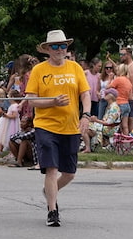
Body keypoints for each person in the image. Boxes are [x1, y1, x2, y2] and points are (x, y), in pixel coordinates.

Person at [25, 30, 90, 227]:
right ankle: (52, 211)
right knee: (51, 169)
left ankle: (49, 191)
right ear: (47, 49)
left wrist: (85, 115)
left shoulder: (75, 68)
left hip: (70, 127)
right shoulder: (39, 70)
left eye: (63, 46)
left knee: (69, 173)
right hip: (46, 126)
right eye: (55, 46)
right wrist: (52, 102)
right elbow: (30, 100)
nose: (60, 49)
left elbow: (85, 95)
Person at [119, 46, 133, 136]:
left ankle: (131, 138)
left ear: (128, 55)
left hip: (130, 97)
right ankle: (124, 137)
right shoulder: (124, 66)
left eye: (122, 54)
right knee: (123, 119)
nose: (121, 56)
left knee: (129, 119)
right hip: (123, 97)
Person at [109, 64, 132, 135]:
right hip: (126, 104)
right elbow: (130, 97)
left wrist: (110, 79)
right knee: (125, 126)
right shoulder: (129, 81)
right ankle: (125, 142)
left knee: (115, 125)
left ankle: (115, 141)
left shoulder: (118, 79)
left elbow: (109, 88)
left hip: (119, 104)